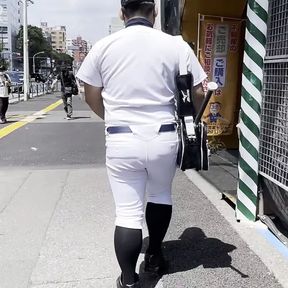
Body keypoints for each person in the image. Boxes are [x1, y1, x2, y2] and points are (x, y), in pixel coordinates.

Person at [76, 0, 207, 287]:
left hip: (122, 137)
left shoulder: (104, 46)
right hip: (164, 136)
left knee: (127, 211)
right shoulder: (176, 45)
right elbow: (198, 91)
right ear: (154, 12)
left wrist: (111, 118)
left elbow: (90, 94)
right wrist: (193, 119)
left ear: (122, 13)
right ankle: (155, 257)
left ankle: (128, 279)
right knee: (160, 195)